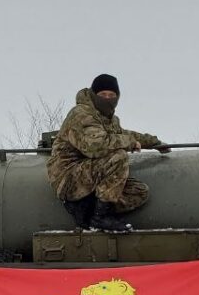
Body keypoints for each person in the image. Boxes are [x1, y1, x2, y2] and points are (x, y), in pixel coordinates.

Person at [46, 73, 170, 233]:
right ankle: (99, 218)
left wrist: (153, 142)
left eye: (112, 95)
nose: (107, 99)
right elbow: (94, 146)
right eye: (102, 94)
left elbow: (123, 134)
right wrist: (130, 143)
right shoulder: (81, 114)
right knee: (118, 157)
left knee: (139, 192)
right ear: (93, 94)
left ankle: (87, 209)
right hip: (69, 177)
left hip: (92, 176)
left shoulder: (109, 119)